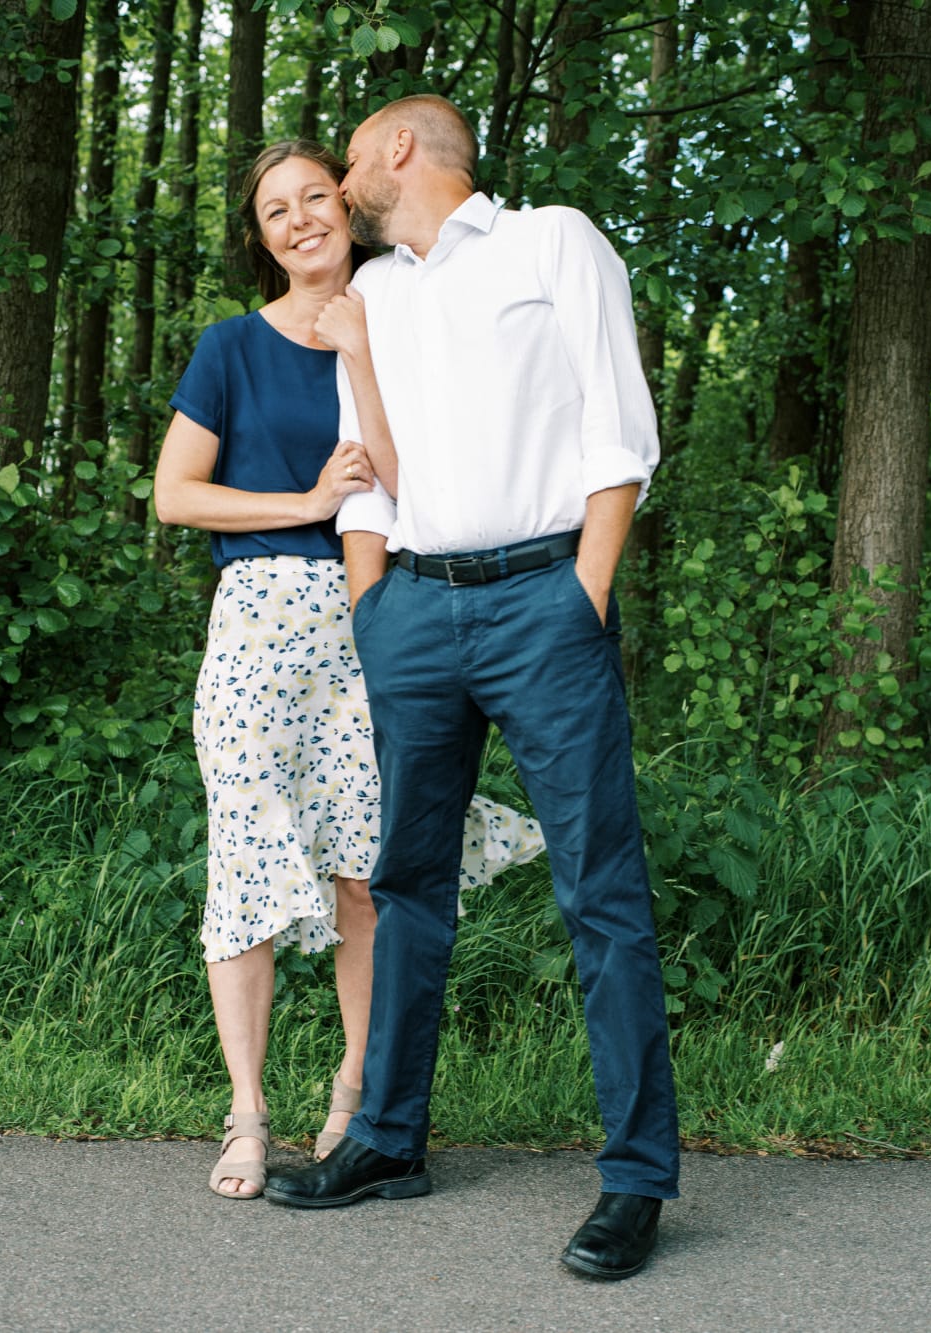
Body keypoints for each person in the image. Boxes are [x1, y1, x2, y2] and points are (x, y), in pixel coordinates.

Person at [264, 96, 680, 1281]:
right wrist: (372, 605)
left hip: (543, 601)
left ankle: (637, 1177)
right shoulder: (376, 297)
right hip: (413, 612)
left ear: (402, 147)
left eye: (347, 159)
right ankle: (388, 1139)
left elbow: (619, 431)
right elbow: (368, 473)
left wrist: (582, 595)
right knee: (404, 880)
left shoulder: (553, 241)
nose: (337, 182)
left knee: (598, 884)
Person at [154, 138, 543, 1200]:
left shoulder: (409, 323)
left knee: (367, 873)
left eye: (314, 197)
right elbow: (176, 495)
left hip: (376, 616)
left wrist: (361, 350)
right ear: (263, 236)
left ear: (347, 204)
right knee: (244, 862)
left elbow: (421, 486)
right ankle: (245, 1114)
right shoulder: (230, 346)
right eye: (274, 210)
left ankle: (353, 1101)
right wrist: (305, 504)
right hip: (258, 621)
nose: (297, 221)